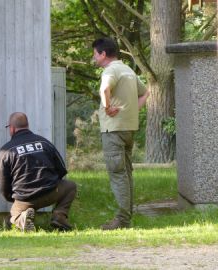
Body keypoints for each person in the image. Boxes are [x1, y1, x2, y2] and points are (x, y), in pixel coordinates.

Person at [92, 37, 149, 230]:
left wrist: (107, 108)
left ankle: (123, 219)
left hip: (113, 130)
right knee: (126, 173)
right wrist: (132, 111)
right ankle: (127, 215)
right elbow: (145, 93)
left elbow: (105, 88)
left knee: (117, 174)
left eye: (95, 54)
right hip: (128, 129)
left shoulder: (111, 70)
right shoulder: (128, 70)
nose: (94, 58)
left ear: (103, 54)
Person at [0, 112, 77, 232]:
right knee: (70, 186)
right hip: (51, 193)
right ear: (27, 125)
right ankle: (59, 216)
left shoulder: (6, 150)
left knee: (13, 215)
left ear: (11, 128)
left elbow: (1, 183)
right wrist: (51, 184)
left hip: (25, 198)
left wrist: (13, 198)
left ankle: (22, 218)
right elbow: (61, 169)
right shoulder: (44, 143)